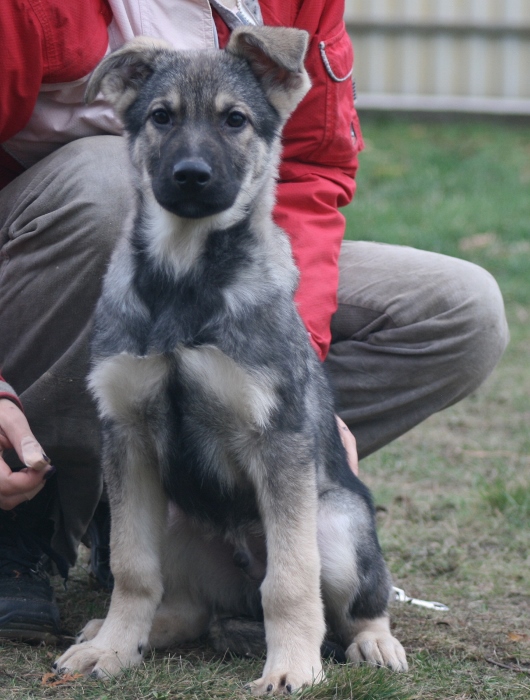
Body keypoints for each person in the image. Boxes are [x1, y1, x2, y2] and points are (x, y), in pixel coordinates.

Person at [0, 0, 508, 642]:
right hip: (53, 254)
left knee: (461, 308)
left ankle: (211, 503)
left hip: (239, 255)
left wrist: (300, 377)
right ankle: (40, 499)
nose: (194, 154)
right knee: (107, 187)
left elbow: (310, 172)